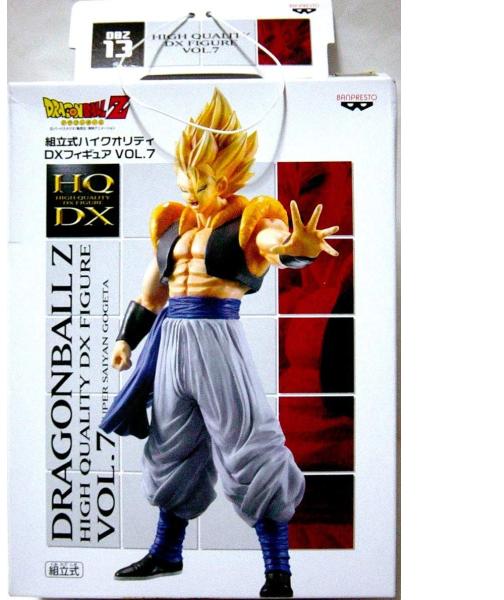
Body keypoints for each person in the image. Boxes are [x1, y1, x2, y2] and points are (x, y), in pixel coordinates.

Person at [100, 88, 339, 598]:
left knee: (248, 443)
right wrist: (126, 339)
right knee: (170, 447)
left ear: (224, 179)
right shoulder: (173, 227)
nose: (190, 191)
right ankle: (167, 551)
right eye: (184, 180)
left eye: (201, 182)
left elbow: (276, 245)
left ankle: (278, 569)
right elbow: (151, 294)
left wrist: (298, 249)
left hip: (217, 340)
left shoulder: (251, 221)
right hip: (171, 345)